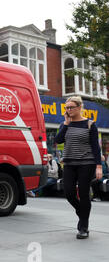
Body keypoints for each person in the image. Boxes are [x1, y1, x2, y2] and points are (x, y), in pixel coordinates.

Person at [54, 96, 103, 239]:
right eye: (66, 108)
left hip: (86, 164)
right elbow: (58, 140)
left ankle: (83, 227)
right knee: (69, 193)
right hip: (69, 163)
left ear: (79, 107)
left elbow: (95, 147)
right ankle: (83, 214)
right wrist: (67, 123)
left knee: (83, 194)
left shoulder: (90, 124)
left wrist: (98, 166)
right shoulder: (65, 124)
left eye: (71, 107)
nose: (68, 110)